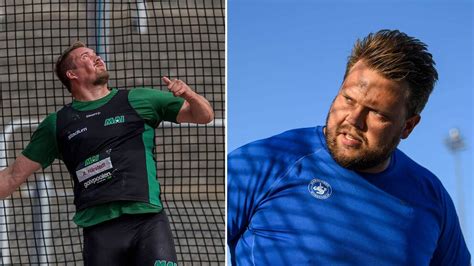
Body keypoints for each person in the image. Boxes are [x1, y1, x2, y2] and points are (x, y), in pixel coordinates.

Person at [227, 30, 471, 265]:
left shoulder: (431, 197)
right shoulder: (261, 163)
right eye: (348, 99)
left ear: (408, 126)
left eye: (376, 113)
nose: (353, 119)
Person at [0, 41, 214, 265]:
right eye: (85, 56)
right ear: (71, 73)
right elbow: (12, 176)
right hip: (99, 230)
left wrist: (190, 95)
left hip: (147, 221)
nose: (97, 57)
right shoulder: (57, 123)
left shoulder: (139, 99)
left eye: (95, 53)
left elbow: (204, 116)